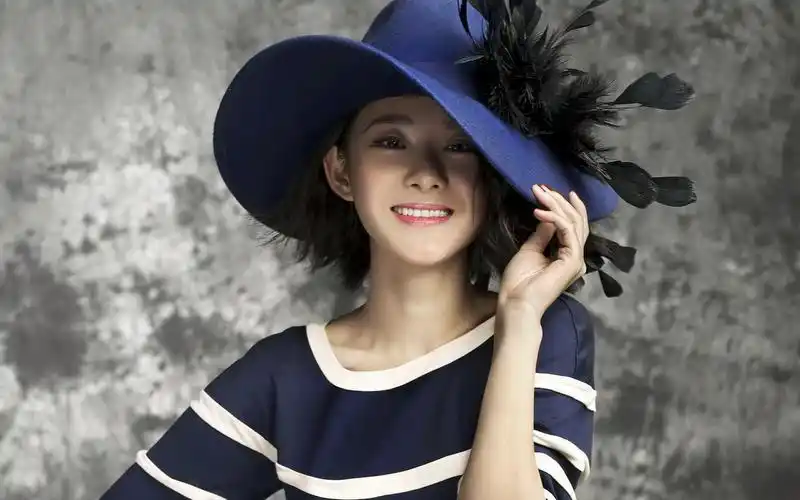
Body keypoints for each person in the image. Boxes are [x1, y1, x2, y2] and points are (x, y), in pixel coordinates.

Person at [101, 0, 696, 499]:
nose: (426, 173)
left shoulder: (546, 331)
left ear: (492, 176)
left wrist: (518, 323)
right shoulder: (285, 376)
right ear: (342, 172)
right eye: (391, 141)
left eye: (460, 147)